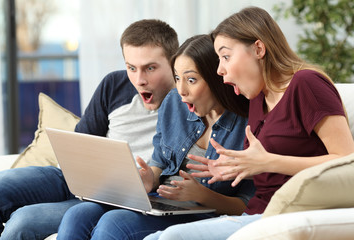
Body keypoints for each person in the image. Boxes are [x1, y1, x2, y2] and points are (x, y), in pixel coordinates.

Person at [144, 6, 354, 240]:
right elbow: (269, 169)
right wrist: (239, 167)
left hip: (289, 215)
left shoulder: (306, 84)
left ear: (258, 49)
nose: (220, 69)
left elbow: (346, 163)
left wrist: (268, 162)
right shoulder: (257, 98)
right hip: (256, 213)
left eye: (225, 56)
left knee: (172, 238)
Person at [56, 34, 255, 240]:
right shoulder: (174, 103)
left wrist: (202, 196)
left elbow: (248, 204)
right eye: (177, 78)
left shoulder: (248, 124)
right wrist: (149, 178)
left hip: (205, 211)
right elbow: (159, 163)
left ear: (217, 79)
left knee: (114, 224)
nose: (181, 90)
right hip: (162, 200)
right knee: (77, 214)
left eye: (191, 80)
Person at [0, 19, 178, 240]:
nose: (139, 80)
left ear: (173, 62)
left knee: (22, 223)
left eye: (150, 68)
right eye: (131, 67)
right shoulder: (114, 85)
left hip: (119, 199)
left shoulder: (186, 104)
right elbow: (81, 140)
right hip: (72, 177)